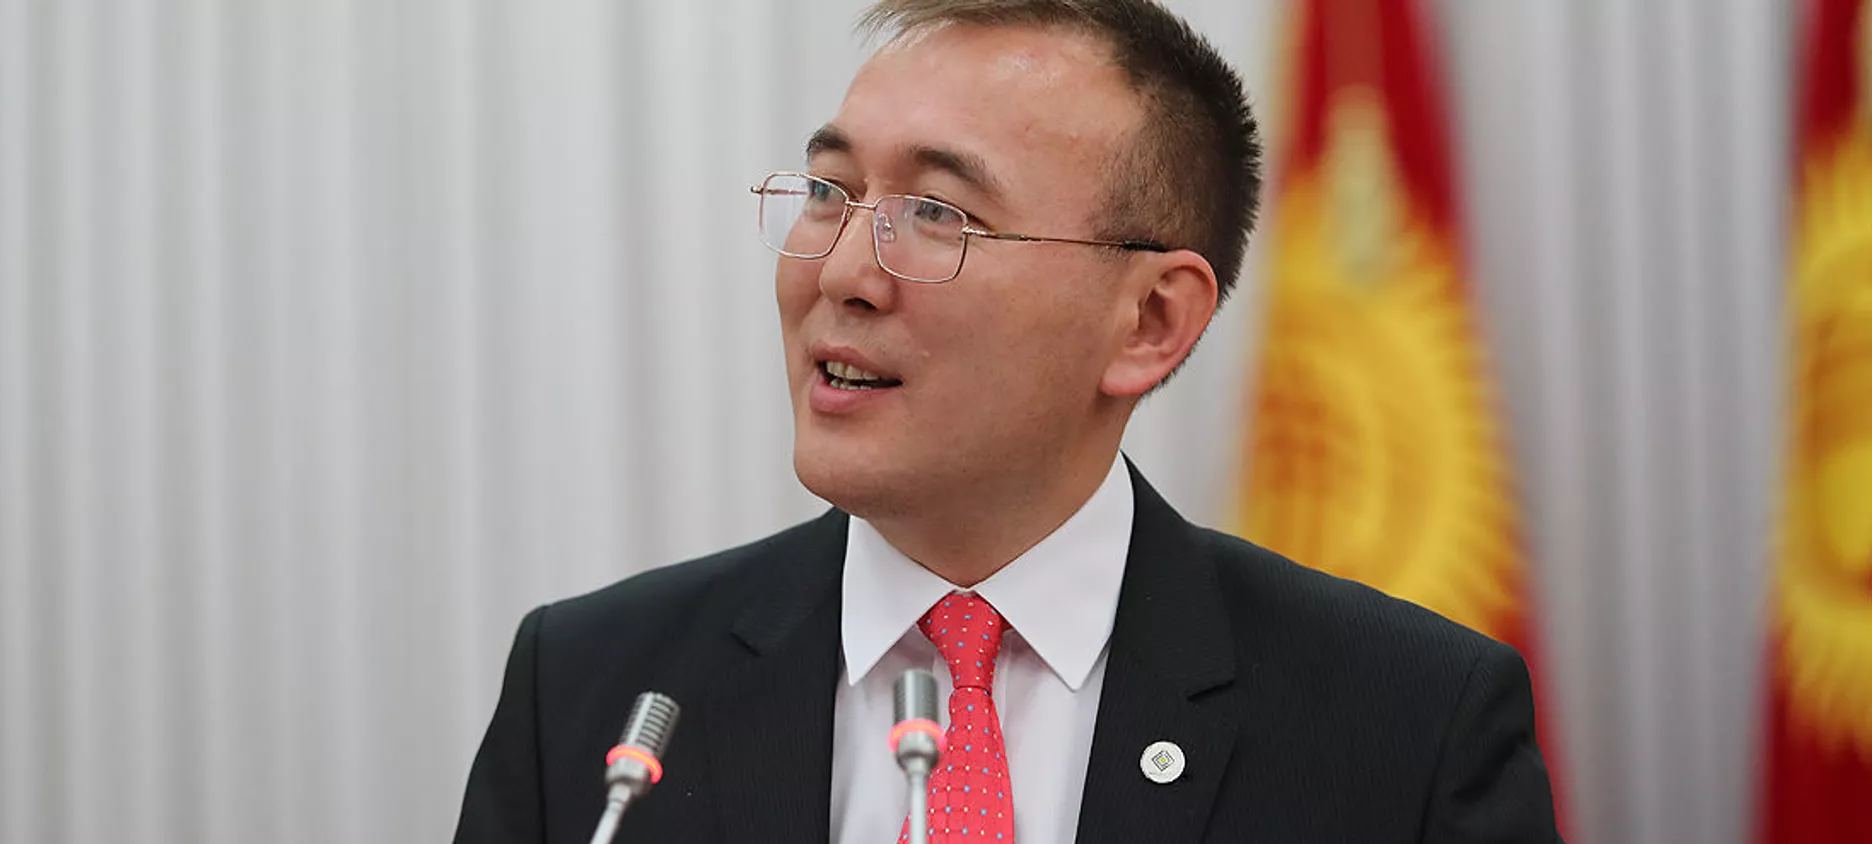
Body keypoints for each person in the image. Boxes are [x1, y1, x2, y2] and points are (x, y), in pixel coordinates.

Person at [455, 1, 1563, 841]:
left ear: (1150, 321)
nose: (839, 272)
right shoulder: (592, 692)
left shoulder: (1404, 728)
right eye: (830, 192)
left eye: (937, 213)